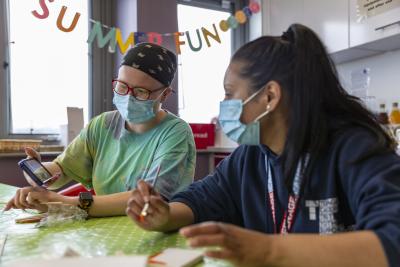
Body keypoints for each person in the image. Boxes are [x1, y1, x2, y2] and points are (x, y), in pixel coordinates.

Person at [126, 24, 400, 267]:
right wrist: (166, 215)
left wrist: (269, 249)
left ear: (269, 96)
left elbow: (393, 240)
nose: (224, 104)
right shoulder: (250, 155)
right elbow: (202, 199)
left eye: (230, 93)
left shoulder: (352, 148)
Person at [4, 43, 196, 217]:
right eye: (122, 86)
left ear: (164, 95)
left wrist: (63, 202)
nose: (128, 98)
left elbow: (150, 199)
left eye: (140, 92)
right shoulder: (103, 125)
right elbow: (60, 172)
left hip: (154, 229)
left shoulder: (175, 133)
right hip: (104, 230)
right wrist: (34, 172)